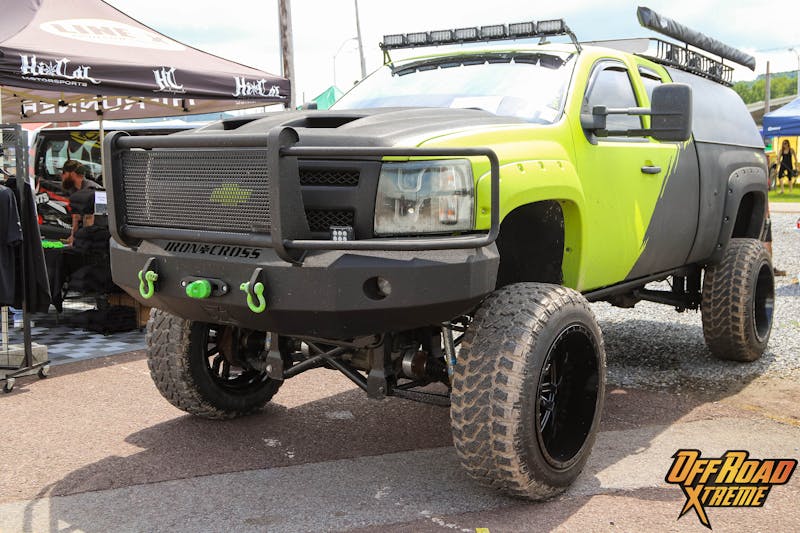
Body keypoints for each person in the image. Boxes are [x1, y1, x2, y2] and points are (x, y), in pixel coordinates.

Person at [60, 161, 101, 244]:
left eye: (64, 173)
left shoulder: (92, 190)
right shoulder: (74, 190)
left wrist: (81, 241)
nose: (62, 176)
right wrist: (72, 237)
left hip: (99, 231)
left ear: (72, 174)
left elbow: (91, 218)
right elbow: (76, 216)